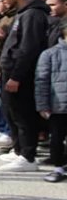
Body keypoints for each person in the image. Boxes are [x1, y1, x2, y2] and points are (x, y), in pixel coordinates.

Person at [0, 0, 50, 172]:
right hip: (9, 69)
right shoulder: (22, 14)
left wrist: (17, 76)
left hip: (22, 73)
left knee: (23, 114)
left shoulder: (33, 15)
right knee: (11, 111)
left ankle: (28, 155)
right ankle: (19, 149)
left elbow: (28, 48)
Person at [36, 22, 67, 183]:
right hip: (59, 105)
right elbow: (41, 82)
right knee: (57, 138)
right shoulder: (50, 54)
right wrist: (42, 104)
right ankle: (58, 167)